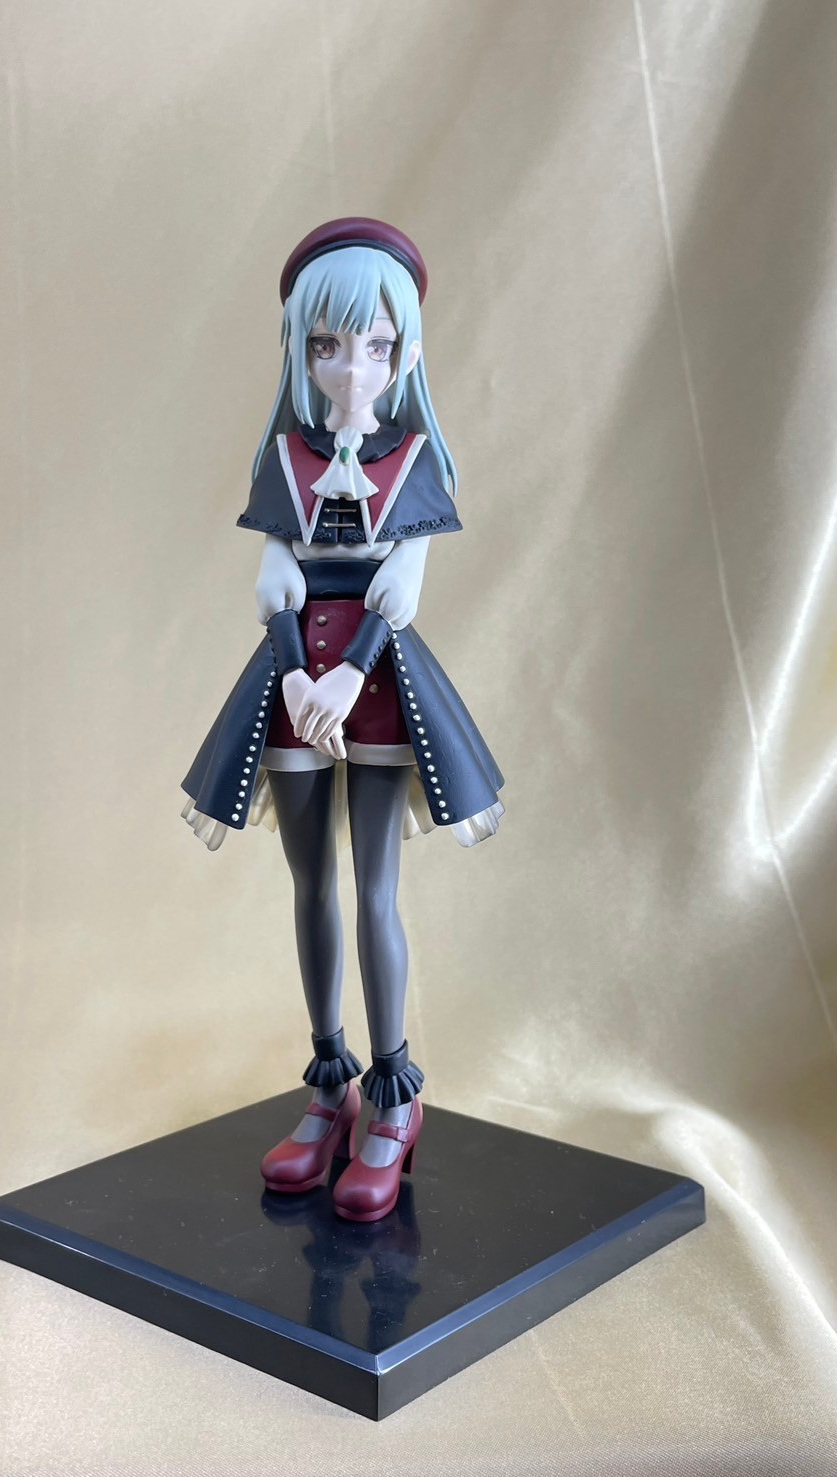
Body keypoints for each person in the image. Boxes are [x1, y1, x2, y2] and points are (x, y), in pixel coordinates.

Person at [181, 218, 504, 1221]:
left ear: (405, 349)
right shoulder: (283, 459)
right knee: (309, 884)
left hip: (375, 683)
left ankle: (394, 1096)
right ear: (300, 347)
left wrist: (341, 679)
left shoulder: (417, 462)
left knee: (373, 888)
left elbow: (398, 592)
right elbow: (274, 586)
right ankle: (330, 1083)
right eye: (327, 344)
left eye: (375, 344)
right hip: (292, 686)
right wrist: (294, 681)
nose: (352, 367)